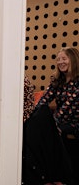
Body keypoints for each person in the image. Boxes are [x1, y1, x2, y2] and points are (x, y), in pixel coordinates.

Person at [26, 47, 79, 185]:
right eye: (58, 59)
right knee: (39, 115)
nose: (60, 62)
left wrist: (53, 124)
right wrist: (32, 116)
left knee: (46, 129)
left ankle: (59, 175)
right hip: (60, 121)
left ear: (73, 59)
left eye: (64, 58)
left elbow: (68, 106)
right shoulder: (57, 80)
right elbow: (44, 100)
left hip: (74, 123)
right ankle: (44, 174)